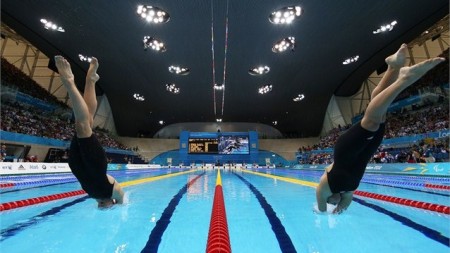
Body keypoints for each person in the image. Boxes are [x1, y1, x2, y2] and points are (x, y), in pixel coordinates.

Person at [315, 44, 445, 214]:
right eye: (335, 205)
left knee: (372, 120)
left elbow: (322, 210)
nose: (334, 204)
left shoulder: (324, 189)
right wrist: (338, 210)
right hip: (367, 149)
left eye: (331, 204)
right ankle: (393, 67)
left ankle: (403, 79)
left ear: (328, 199)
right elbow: (344, 206)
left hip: (345, 149)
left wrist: (324, 212)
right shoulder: (347, 193)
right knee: (379, 113)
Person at [55, 55, 124, 208]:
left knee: (87, 121)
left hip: (77, 165)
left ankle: (91, 80)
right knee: (82, 126)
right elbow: (123, 203)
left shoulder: (95, 197)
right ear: (112, 203)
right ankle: (69, 82)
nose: (101, 208)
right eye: (105, 208)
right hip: (95, 165)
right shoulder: (116, 193)